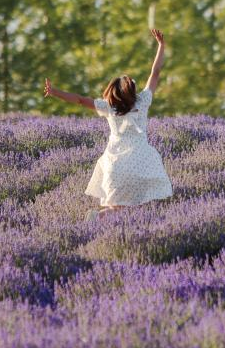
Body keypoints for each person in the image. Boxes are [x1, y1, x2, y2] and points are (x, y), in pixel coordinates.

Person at [43, 28, 173, 219]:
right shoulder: (143, 101)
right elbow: (155, 73)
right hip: (142, 165)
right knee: (135, 207)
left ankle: (96, 218)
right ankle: (99, 220)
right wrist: (161, 46)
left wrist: (55, 92)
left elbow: (79, 99)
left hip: (115, 165)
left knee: (116, 209)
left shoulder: (108, 107)